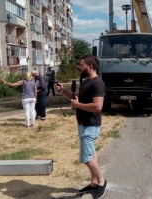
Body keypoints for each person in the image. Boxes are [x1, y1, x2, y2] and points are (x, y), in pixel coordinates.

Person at [55, 55, 107, 199]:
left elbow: (97, 107)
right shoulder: (86, 82)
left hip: (91, 125)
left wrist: (78, 105)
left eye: (81, 65)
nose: (79, 67)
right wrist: (62, 91)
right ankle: (94, 183)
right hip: (83, 124)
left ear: (90, 67)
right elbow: (74, 97)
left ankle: (101, 182)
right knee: (91, 155)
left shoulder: (97, 83)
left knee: (86, 158)